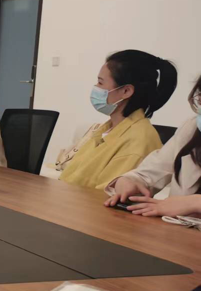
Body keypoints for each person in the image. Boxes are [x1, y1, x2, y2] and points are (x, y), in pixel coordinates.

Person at [60, 50, 177, 190]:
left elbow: (105, 196)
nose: (96, 88)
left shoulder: (138, 141)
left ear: (126, 91)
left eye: (100, 82)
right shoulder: (106, 130)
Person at [105, 74, 201, 219]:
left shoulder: (140, 133)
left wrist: (194, 203)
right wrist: (131, 181)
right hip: (175, 230)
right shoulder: (192, 128)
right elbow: (155, 169)